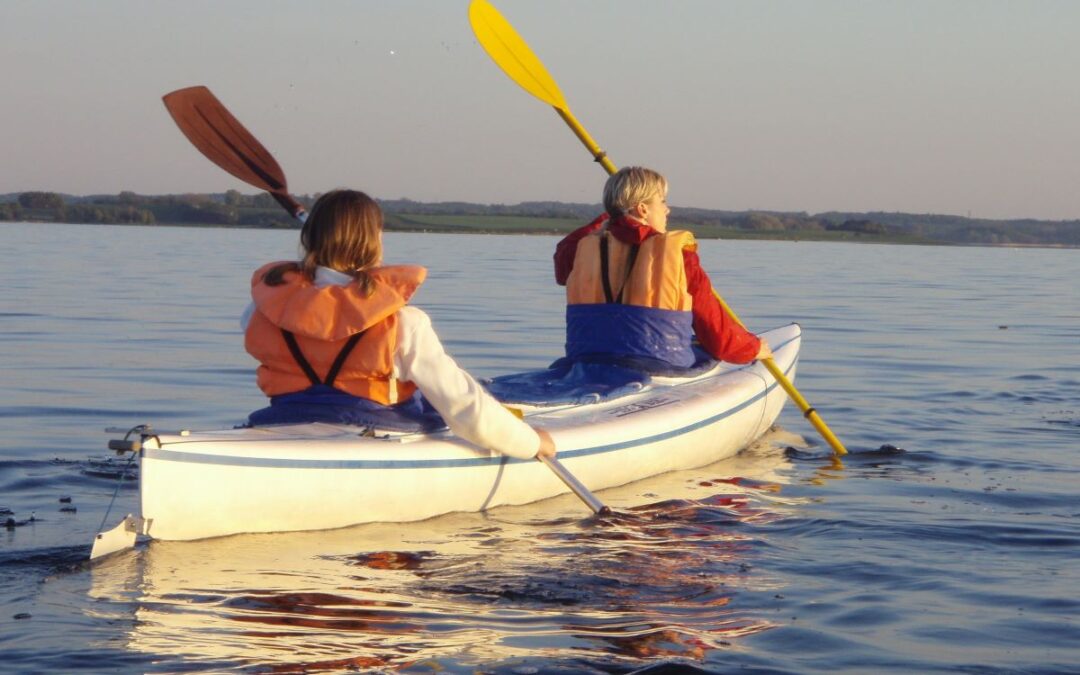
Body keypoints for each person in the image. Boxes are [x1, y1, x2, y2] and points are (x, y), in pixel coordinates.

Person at [241, 189, 555, 460]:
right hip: (372, 435)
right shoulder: (405, 323)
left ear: (310, 239)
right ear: (374, 241)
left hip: (278, 424)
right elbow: (463, 408)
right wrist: (530, 442)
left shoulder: (260, 311)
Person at [553, 166, 771, 371]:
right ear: (643, 209)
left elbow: (562, 263)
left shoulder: (581, 249)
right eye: (663, 201)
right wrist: (752, 348)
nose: (667, 210)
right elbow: (716, 334)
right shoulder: (678, 254)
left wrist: (613, 215)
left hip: (587, 362)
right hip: (660, 367)